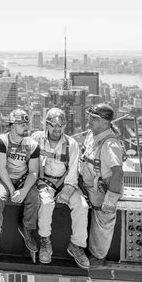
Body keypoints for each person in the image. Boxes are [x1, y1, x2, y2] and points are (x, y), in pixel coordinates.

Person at [31, 108, 89, 268]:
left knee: (82, 206)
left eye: (61, 126)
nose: (57, 129)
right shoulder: (37, 139)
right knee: (46, 203)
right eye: (53, 125)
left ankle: (76, 245)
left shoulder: (71, 144)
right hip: (44, 182)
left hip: (66, 183)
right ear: (46, 125)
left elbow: (73, 169)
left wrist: (67, 191)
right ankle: (45, 241)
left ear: (65, 126)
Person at [0, 109, 40, 262]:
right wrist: (12, 190)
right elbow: (1, 168)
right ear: (13, 126)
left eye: (26, 124)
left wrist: (23, 191)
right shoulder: (1, 141)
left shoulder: (33, 145)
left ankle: (27, 228)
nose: (26, 127)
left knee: (34, 197)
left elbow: (34, 172)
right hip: (3, 179)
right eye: (22, 124)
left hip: (23, 179)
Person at [79, 103, 124, 268]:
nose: (89, 120)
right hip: (89, 187)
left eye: (94, 118)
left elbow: (118, 173)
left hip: (102, 192)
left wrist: (110, 201)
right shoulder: (92, 135)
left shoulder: (110, 144)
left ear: (105, 122)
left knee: (102, 224)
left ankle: (99, 259)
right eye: (90, 116)